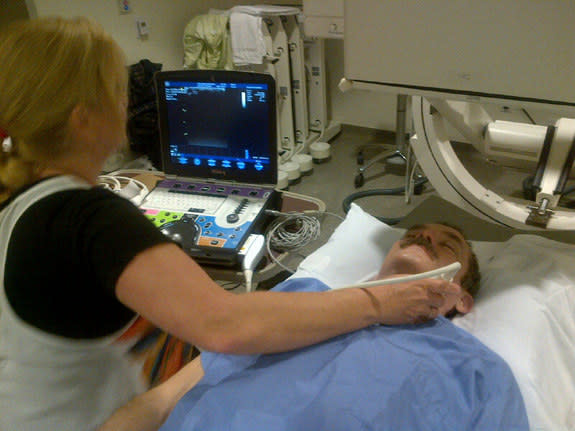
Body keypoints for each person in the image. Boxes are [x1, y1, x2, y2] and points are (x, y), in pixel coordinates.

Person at [0, 17, 463, 431]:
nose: (126, 105)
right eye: (118, 93)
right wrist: (376, 303)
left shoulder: (21, 206)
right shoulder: (88, 219)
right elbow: (227, 326)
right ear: (83, 120)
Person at [99, 223, 529, 431]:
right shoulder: (303, 295)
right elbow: (165, 398)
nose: (425, 239)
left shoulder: (479, 371)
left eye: (445, 245)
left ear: (463, 299)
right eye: (414, 234)